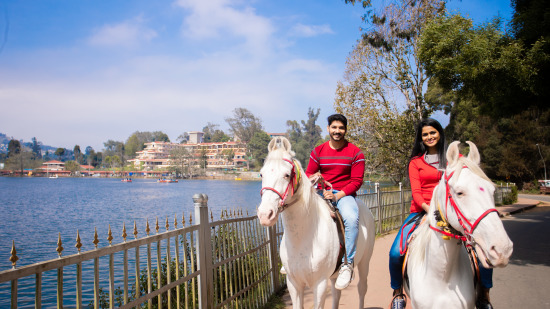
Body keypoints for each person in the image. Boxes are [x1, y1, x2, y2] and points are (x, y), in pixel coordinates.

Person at [388, 118, 494, 309]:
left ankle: (484, 295)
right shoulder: (415, 163)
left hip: (454, 212)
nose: (429, 137)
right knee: (396, 252)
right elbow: (417, 193)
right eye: (425, 134)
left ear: (440, 133)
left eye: (433, 132)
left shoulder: (455, 159)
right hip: (422, 212)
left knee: (482, 250)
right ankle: (398, 293)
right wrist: (432, 211)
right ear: (421, 138)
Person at [305, 113, 365, 290]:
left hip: (344, 195)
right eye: (334, 127)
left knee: (352, 218)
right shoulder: (318, 151)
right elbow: (309, 174)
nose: (337, 131)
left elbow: (357, 181)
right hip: (321, 192)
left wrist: (337, 196)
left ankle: (348, 263)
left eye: (341, 128)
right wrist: (316, 178)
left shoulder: (356, 153)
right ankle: (294, 257)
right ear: (328, 129)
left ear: (345, 130)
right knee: (300, 211)